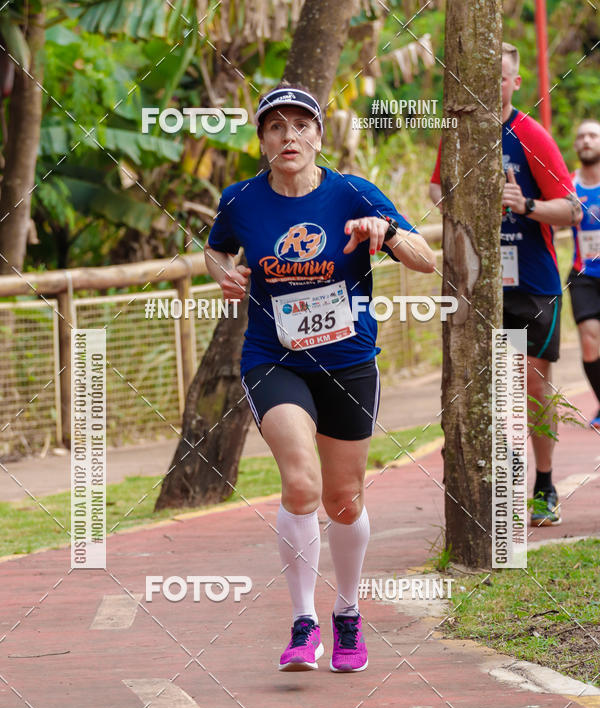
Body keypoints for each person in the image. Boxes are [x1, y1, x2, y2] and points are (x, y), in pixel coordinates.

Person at [205, 82, 435, 672]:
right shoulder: (241, 201)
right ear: (262, 141)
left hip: (349, 363)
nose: (290, 137)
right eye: (277, 127)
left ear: (318, 136)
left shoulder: (353, 193)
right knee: (301, 484)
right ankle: (303, 623)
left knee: (343, 498)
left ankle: (349, 614)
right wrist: (223, 272)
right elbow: (216, 248)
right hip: (274, 359)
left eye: (301, 126)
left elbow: (424, 257)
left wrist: (386, 234)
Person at [429, 42, 582, 526]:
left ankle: (543, 484)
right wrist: (457, 199)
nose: (489, 84)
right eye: (481, 75)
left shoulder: (530, 135)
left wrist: (525, 206)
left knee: (532, 387)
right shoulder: (457, 132)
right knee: (488, 387)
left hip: (532, 282)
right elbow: (435, 187)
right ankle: (491, 491)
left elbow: (573, 209)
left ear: (514, 83)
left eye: (500, 76)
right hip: (476, 281)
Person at [568, 119, 600, 430]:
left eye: (593, 135)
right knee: (590, 342)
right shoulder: (568, 185)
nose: (587, 141)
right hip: (584, 273)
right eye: (582, 136)